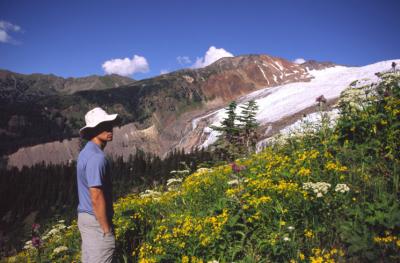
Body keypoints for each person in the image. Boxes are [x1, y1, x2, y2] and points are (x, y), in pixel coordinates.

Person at [77, 107, 119, 263]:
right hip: (96, 222)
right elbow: (96, 196)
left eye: (110, 124)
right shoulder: (97, 157)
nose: (110, 129)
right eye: (104, 125)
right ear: (93, 129)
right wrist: (106, 230)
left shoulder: (85, 152)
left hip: (85, 217)